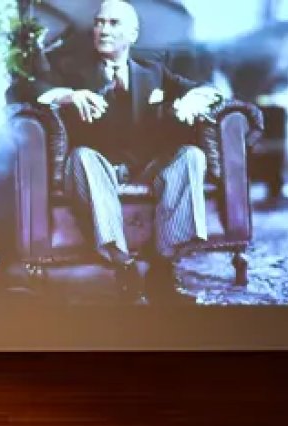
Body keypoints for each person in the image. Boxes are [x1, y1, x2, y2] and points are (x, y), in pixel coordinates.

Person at [31, 0, 222, 302]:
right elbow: (29, 92)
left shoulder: (155, 72)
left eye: (113, 23)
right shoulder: (71, 70)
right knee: (81, 157)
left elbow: (208, 90)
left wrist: (193, 100)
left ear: (133, 34)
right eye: (99, 22)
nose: (103, 29)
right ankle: (124, 266)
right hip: (99, 167)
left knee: (192, 156)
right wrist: (68, 95)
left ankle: (163, 267)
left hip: (148, 167)